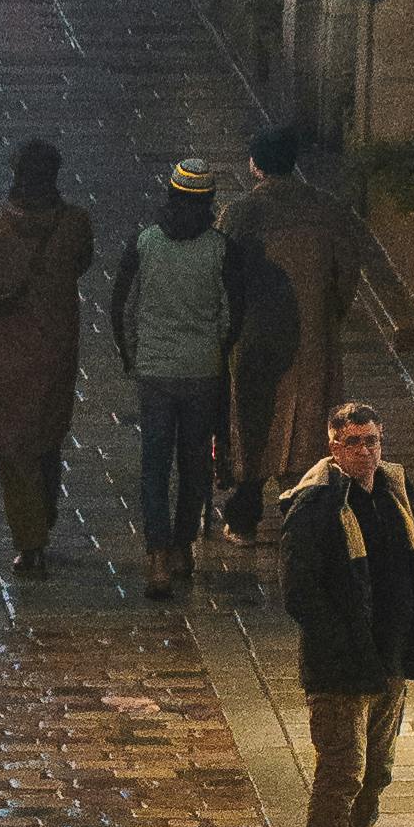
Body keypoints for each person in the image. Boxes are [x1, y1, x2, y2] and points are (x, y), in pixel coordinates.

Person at [280, 396, 414, 827]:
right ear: (333, 447)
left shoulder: (395, 490)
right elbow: (300, 591)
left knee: (377, 772)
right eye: (352, 442)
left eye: (371, 440)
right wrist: (341, 642)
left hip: (390, 659)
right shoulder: (315, 504)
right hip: (341, 667)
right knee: (342, 772)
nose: (364, 452)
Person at [106, 155, 243, 596]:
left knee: (154, 463)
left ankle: (157, 556)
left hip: (155, 371)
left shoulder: (144, 243)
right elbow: (232, 314)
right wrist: (215, 348)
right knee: (194, 461)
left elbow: (120, 305)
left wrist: (133, 354)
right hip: (203, 371)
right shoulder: (221, 249)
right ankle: (184, 545)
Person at [0, 135, 94, 571]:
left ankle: (29, 537)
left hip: (5, 347)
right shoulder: (75, 223)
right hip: (55, 345)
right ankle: (45, 512)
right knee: (48, 432)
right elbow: (82, 262)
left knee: (12, 443)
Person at [226, 128, 367, 517]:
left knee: (256, 415)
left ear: (255, 166)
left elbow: (225, 277)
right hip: (313, 335)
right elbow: (347, 273)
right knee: (308, 416)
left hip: (257, 332)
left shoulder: (241, 215)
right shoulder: (326, 210)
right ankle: (302, 509)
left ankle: (246, 508)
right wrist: (328, 314)